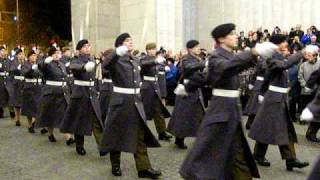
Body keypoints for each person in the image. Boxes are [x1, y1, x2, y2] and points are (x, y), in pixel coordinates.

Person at [179, 23, 277, 179]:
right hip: (221, 113)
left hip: (231, 112)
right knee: (206, 154)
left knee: (238, 157)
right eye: (232, 34)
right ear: (221, 39)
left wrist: (189, 86)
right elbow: (225, 68)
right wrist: (253, 51)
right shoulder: (216, 56)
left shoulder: (230, 55)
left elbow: (208, 76)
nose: (236, 36)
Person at [100, 33, 162, 178]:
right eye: (127, 41)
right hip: (121, 102)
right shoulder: (116, 59)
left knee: (139, 135)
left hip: (135, 101)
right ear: (120, 44)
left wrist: (155, 61)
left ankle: (143, 168)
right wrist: (116, 52)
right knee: (116, 134)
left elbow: (144, 64)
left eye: (131, 40)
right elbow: (105, 65)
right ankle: (115, 165)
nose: (130, 42)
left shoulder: (134, 59)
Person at [249, 34, 309, 171]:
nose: (286, 44)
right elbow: (285, 65)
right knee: (274, 128)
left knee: (280, 128)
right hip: (273, 99)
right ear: (277, 44)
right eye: (283, 42)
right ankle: (287, 159)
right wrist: (301, 53)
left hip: (278, 98)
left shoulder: (278, 56)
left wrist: (263, 92)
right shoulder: (271, 57)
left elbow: (269, 77)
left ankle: (288, 159)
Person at [60, 39, 105, 156]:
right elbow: (73, 67)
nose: (87, 48)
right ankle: (79, 146)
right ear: (79, 49)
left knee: (97, 120)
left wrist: (97, 89)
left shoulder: (91, 59)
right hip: (80, 93)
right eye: (85, 46)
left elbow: (95, 78)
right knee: (79, 120)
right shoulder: (76, 60)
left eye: (89, 46)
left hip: (91, 93)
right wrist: (84, 67)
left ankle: (102, 146)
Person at [167, 40, 206, 149]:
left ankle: (202, 139)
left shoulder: (198, 58)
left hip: (195, 89)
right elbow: (189, 68)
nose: (199, 48)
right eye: (196, 47)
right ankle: (179, 138)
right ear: (190, 49)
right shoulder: (186, 59)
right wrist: (203, 63)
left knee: (199, 115)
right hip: (186, 90)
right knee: (183, 115)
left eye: (199, 46)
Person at [36, 46, 74, 144]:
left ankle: (68, 137)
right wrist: (46, 61)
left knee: (65, 114)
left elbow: (65, 77)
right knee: (50, 115)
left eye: (58, 53)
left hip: (63, 92)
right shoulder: (48, 64)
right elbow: (40, 67)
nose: (57, 55)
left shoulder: (61, 64)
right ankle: (50, 133)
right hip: (51, 93)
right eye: (55, 53)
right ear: (51, 55)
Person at [140, 43, 172, 141]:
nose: (153, 50)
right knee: (143, 111)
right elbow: (143, 64)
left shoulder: (155, 59)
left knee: (158, 111)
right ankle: (141, 133)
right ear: (147, 50)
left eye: (154, 49)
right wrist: (155, 61)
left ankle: (162, 132)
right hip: (146, 87)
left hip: (155, 86)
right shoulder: (144, 58)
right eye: (151, 49)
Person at [21, 50, 42, 133]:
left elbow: (42, 74)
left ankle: (34, 122)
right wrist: (31, 69)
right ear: (28, 57)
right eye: (32, 55)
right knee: (29, 108)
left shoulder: (38, 65)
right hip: (29, 88)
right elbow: (25, 73)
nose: (34, 57)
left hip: (38, 87)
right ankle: (30, 125)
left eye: (35, 55)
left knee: (38, 106)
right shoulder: (25, 65)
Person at [244, 57, 267, 129]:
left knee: (255, 105)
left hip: (259, 83)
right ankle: (252, 124)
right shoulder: (264, 61)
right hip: (261, 84)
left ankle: (251, 123)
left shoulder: (262, 60)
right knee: (256, 106)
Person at [8, 48, 25, 126]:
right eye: (20, 54)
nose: (21, 56)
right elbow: (11, 70)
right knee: (17, 103)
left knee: (25, 101)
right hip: (16, 83)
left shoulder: (26, 62)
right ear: (17, 56)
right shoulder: (13, 62)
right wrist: (18, 67)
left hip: (25, 83)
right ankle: (17, 119)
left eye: (22, 54)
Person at [98, 48, 113, 122]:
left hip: (115, 87)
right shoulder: (104, 65)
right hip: (107, 88)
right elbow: (104, 73)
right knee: (104, 110)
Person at [0, 46, 9, 118]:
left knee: (5, 95)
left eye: (4, 50)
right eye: (2, 50)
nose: (3, 52)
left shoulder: (7, 60)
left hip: (7, 79)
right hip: (0, 79)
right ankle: (1, 111)